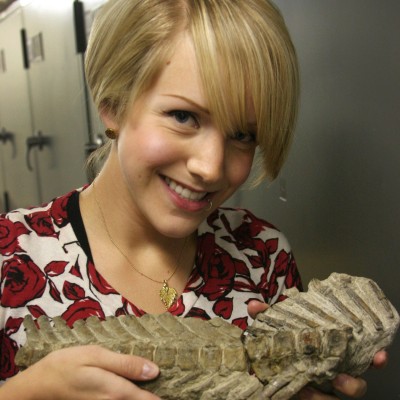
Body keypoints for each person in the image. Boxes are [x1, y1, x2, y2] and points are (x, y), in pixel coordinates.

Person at [0, 0, 387, 399]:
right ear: (112, 105)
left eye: (242, 135)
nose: (210, 167)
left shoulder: (262, 255)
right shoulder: (9, 259)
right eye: (184, 117)